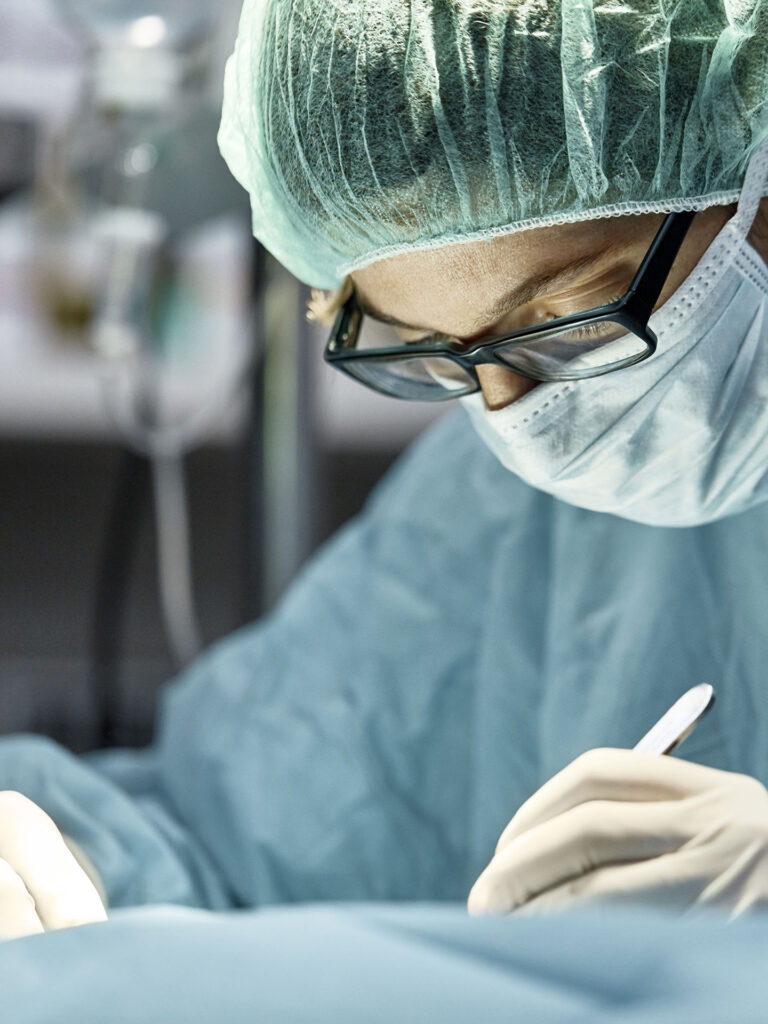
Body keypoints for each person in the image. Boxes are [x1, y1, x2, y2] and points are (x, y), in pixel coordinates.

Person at [1, 0, 768, 941]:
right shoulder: (526, 499)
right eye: (438, 354)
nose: (518, 417)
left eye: (571, 326)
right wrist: (61, 863)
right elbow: (238, 836)